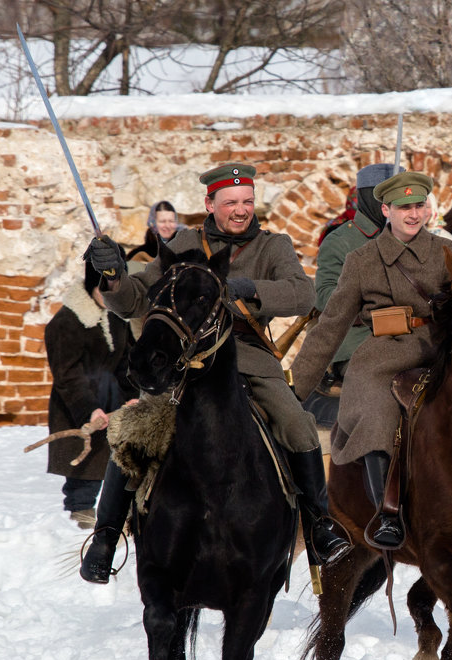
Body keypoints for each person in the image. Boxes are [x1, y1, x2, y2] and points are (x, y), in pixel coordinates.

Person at [80, 162, 350, 583]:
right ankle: (105, 538)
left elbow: (303, 293)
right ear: (210, 203)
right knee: (136, 428)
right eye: (231, 203)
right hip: (189, 363)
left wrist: (250, 290)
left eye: (247, 202)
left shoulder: (272, 246)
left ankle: (319, 525)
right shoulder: (185, 241)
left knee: (297, 423)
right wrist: (112, 276)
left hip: (249, 357)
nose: (241, 210)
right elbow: (136, 301)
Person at [290, 170, 452, 550]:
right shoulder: (361, 260)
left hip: (442, 349)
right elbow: (331, 324)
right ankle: (388, 512)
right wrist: (296, 386)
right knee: (375, 407)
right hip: (381, 354)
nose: (414, 214)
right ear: (386, 209)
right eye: (404, 207)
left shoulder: (446, 253)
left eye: (419, 206)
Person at [44, 259, 138, 528]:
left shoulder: (117, 317)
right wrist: (88, 408)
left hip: (113, 397)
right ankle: (80, 509)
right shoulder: (66, 322)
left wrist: (131, 394)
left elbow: (126, 361)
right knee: (87, 460)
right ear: (91, 285)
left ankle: (123, 512)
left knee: (122, 459)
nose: (111, 298)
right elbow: (67, 374)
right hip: (78, 398)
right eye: (104, 291)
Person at [303, 163, 398, 429]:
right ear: (369, 197)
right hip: (357, 341)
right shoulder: (340, 240)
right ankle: (374, 464)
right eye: (386, 196)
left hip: (411, 338)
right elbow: (324, 295)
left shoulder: (411, 239)